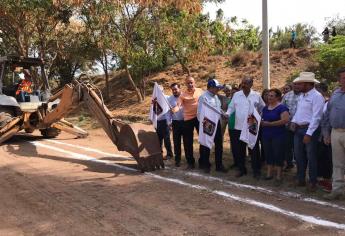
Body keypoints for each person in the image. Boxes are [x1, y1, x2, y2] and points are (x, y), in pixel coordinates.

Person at [226, 77, 266, 178]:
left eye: (246, 83)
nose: (243, 85)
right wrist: (227, 114)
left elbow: (263, 108)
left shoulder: (256, 95)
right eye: (242, 83)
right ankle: (242, 169)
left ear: (251, 84)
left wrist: (259, 118)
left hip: (251, 127)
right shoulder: (236, 95)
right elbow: (231, 107)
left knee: (254, 149)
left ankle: (256, 170)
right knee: (240, 150)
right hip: (238, 127)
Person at [291, 72, 324, 191]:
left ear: (308, 84)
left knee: (311, 156)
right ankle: (301, 179)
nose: (298, 86)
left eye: (300, 83)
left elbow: (317, 117)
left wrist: (309, 133)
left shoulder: (317, 96)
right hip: (299, 129)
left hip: (310, 130)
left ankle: (312, 181)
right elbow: (299, 112)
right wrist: (294, 121)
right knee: (299, 156)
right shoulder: (302, 96)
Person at [322, 67, 345, 200]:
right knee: (337, 163)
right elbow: (326, 115)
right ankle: (337, 190)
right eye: (343, 78)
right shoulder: (335, 94)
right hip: (335, 132)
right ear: (339, 80)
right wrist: (326, 134)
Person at [172, 76, 203, 169]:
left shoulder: (200, 91)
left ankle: (203, 161)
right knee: (188, 142)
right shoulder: (183, 95)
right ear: (186, 84)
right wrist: (175, 109)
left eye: (191, 82)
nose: (190, 84)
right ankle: (191, 163)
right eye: (188, 83)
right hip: (188, 120)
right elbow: (179, 104)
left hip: (199, 118)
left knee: (202, 140)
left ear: (194, 82)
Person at [197, 78, 227, 173]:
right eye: (217, 88)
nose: (218, 89)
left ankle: (219, 165)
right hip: (207, 124)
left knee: (219, 144)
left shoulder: (216, 97)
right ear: (210, 88)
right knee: (206, 144)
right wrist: (205, 124)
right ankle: (205, 164)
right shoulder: (203, 97)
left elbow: (218, 109)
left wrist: (223, 113)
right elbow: (199, 113)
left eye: (219, 88)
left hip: (217, 123)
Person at [261, 89, 289, 185]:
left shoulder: (282, 108)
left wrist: (270, 124)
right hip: (266, 134)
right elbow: (263, 119)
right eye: (268, 95)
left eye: (272, 96)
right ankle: (269, 173)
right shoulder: (265, 108)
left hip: (278, 135)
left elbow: (285, 120)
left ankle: (279, 175)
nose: (269, 97)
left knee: (278, 154)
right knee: (268, 153)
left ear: (277, 97)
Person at [315, 82, 332, 192]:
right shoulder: (321, 102)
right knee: (321, 157)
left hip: (330, 134)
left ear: (324, 91)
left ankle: (328, 180)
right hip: (322, 134)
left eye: (319, 90)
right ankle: (322, 179)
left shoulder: (328, 102)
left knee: (328, 159)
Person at [282, 82, 301, 171]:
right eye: (295, 84)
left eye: (298, 84)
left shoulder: (304, 96)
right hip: (287, 126)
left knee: (298, 148)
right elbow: (282, 108)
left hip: (299, 127)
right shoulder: (286, 95)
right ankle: (289, 164)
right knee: (287, 146)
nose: (297, 86)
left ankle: (300, 168)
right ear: (292, 85)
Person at [168, 83, 184, 167]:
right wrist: (169, 122)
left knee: (187, 142)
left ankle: (189, 160)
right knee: (176, 142)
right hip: (175, 122)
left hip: (185, 122)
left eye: (175, 89)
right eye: (172, 90)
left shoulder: (184, 96)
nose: (174, 91)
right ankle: (177, 160)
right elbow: (168, 112)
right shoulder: (170, 99)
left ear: (179, 88)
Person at [155, 86, 173, 160]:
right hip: (158, 121)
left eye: (161, 91)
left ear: (163, 91)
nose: (159, 92)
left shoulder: (167, 98)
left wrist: (170, 122)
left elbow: (171, 111)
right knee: (158, 139)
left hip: (166, 121)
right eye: (158, 91)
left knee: (166, 139)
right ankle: (160, 154)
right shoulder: (155, 99)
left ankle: (169, 154)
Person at [228, 85, 240, 169]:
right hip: (231, 127)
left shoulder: (240, 102)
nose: (233, 94)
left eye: (234, 93)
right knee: (233, 146)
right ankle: (235, 162)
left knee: (240, 146)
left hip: (238, 127)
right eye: (232, 93)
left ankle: (240, 163)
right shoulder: (229, 101)